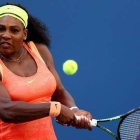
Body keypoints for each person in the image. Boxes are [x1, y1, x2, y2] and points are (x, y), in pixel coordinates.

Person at [0, 3, 93, 140]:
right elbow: (6, 110)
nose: (6, 35)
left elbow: (59, 92)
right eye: (1, 29)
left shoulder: (39, 51)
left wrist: (73, 110)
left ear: (24, 34)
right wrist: (56, 109)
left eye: (14, 31)